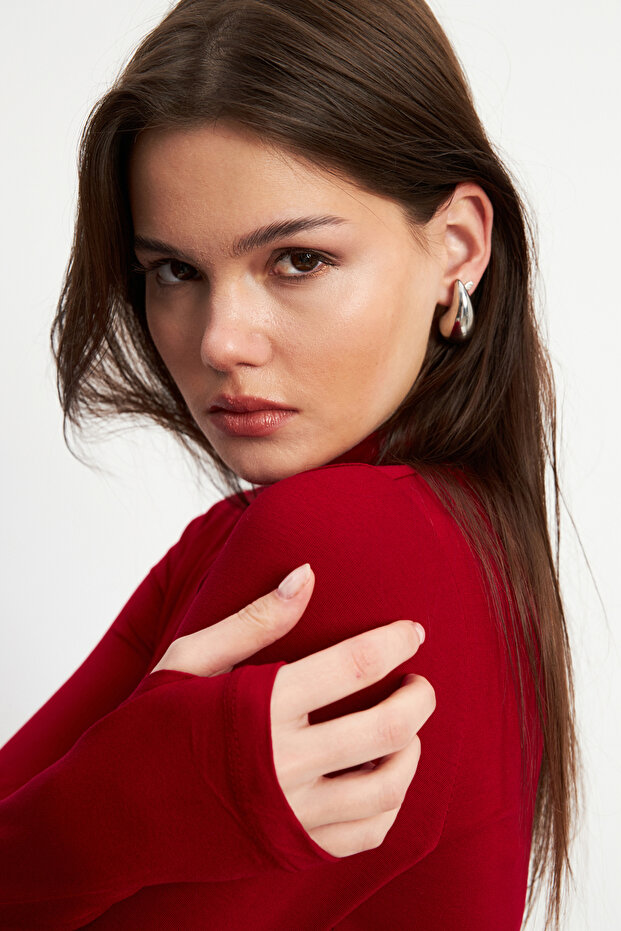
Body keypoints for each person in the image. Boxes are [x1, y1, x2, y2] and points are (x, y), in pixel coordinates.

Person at [0, 0, 577, 928]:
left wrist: (117, 807)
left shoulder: (337, 546)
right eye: (174, 271)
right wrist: (121, 792)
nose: (221, 341)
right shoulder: (444, 527)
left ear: (458, 248)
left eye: (298, 259)